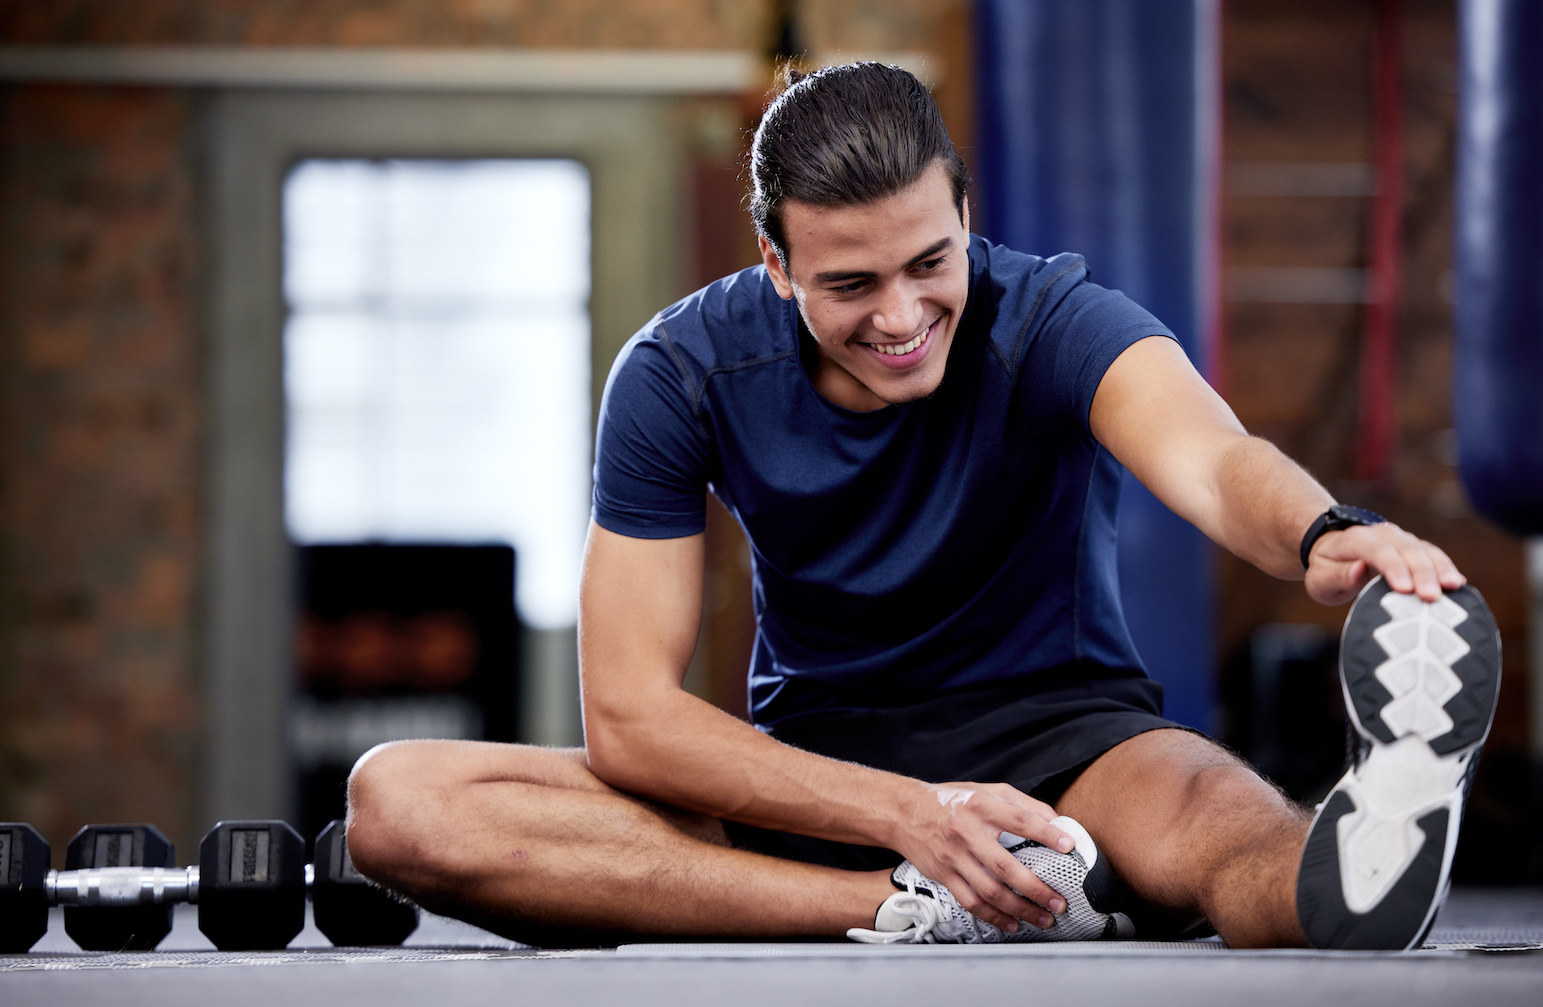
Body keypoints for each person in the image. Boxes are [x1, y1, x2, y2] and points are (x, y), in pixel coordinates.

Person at [345, 63, 1500, 950]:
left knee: (1218, 821)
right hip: (819, 770)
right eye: (850, 283)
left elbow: (1210, 458)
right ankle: (916, 903)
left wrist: (1322, 531)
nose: (900, 316)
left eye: (929, 263)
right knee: (399, 801)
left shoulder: (1049, 315)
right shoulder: (680, 371)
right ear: (775, 264)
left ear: (962, 211)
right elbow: (633, 717)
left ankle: (1362, 848)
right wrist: (908, 822)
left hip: (1067, 745)